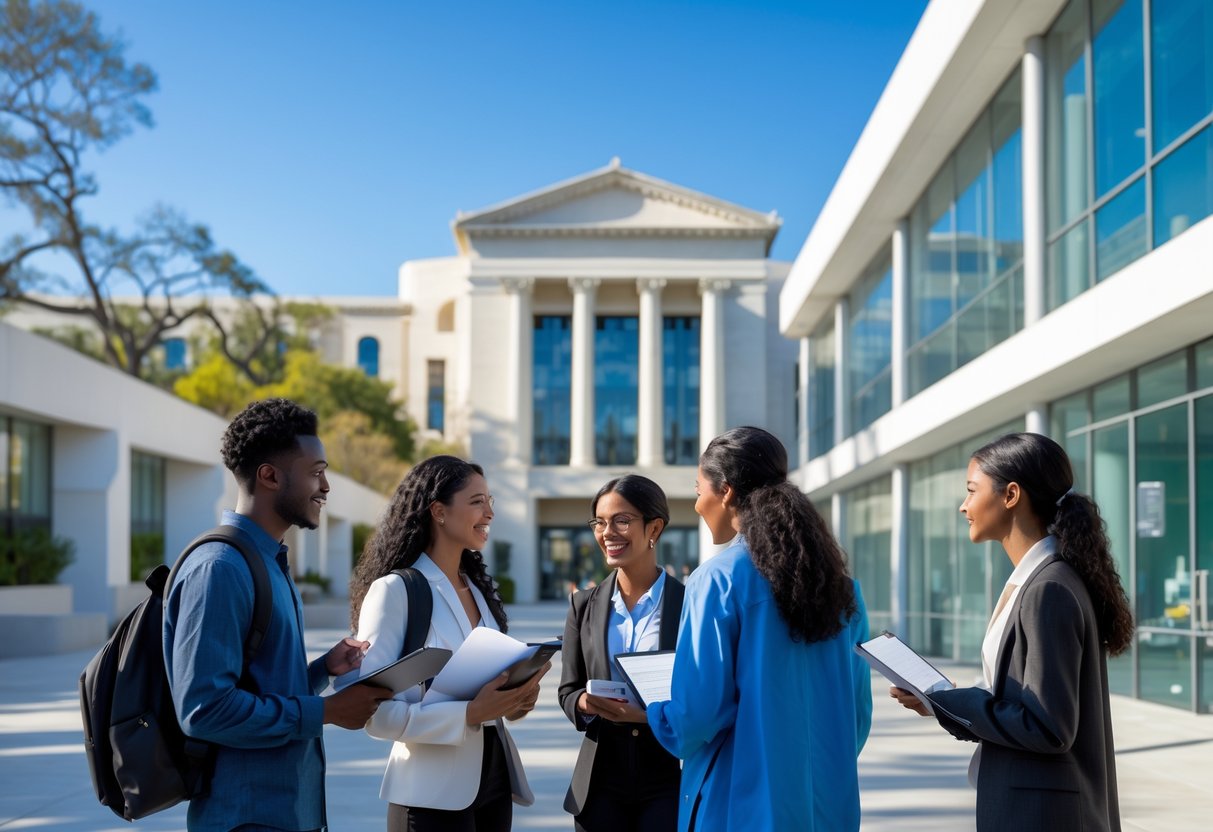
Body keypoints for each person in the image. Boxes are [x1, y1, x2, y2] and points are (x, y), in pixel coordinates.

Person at [163, 398, 391, 832]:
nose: (326, 487)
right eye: (316, 472)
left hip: (290, 812)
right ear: (269, 476)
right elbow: (205, 709)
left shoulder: (268, 561)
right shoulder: (220, 569)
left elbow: (258, 686)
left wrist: (323, 669)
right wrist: (326, 712)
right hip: (246, 818)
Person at [891, 432, 1133, 831]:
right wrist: (940, 700)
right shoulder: (1038, 579)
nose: (963, 506)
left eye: (972, 491)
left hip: (1043, 817)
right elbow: (1026, 696)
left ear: (1011, 495)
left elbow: (1048, 727)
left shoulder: (1048, 588)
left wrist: (952, 702)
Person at [646, 426, 872, 832]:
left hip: (739, 806)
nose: (697, 504)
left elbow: (695, 716)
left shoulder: (716, 581)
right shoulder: (842, 588)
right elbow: (856, 716)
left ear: (726, 491)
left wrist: (654, 711)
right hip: (827, 804)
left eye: (699, 490)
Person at [346, 455, 549, 832]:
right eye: (477, 502)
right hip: (429, 794)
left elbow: (487, 696)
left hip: (493, 780)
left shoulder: (477, 590)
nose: (489, 513)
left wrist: (517, 699)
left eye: (490, 502)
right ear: (438, 511)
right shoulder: (395, 591)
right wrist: (468, 714)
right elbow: (375, 713)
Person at [558, 475, 685, 831]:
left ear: (654, 528)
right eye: (600, 522)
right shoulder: (582, 606)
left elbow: (704, 695)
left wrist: (645, 717)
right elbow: (568, 691)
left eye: (622, 520)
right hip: (599, 782)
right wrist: (585, 703)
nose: (607, 532)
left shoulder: (689, 605)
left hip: (668, 777)